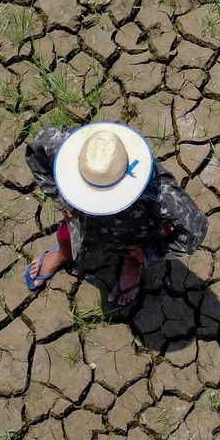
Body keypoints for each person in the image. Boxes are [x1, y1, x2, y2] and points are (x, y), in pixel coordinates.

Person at [23, 122, 208, 314]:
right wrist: (62, 200)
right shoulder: (67, 149)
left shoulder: (158, 191)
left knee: (132, 252)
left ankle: (132, 265)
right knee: (65, 235)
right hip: (79, 222)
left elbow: (195, 228)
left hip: (132, 232)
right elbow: (37, 151)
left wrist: (149, 252)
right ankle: (64, 253)